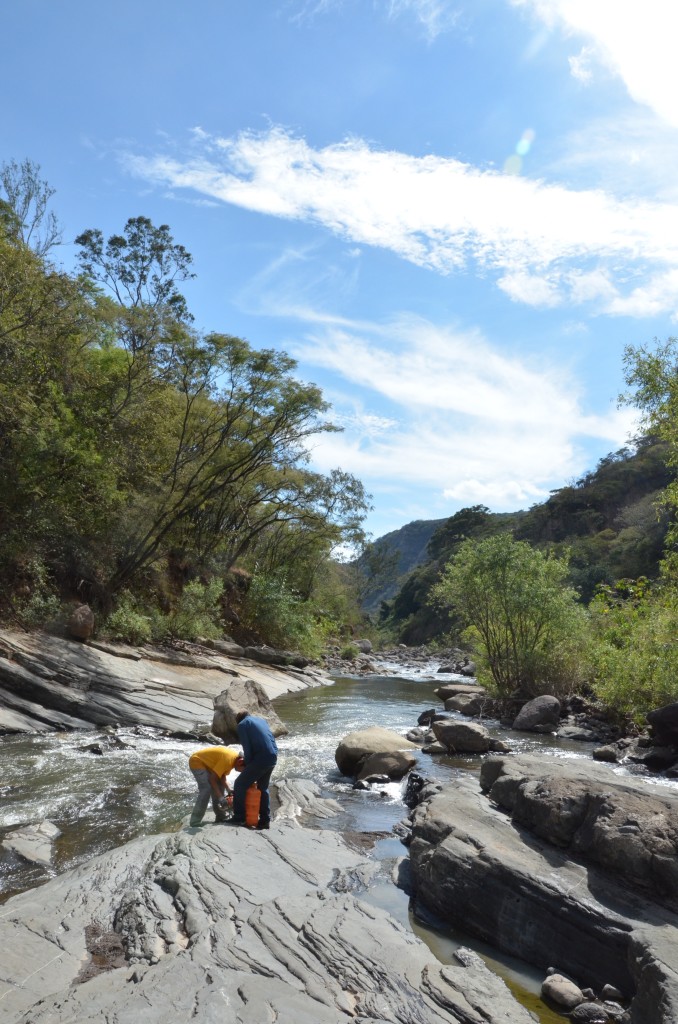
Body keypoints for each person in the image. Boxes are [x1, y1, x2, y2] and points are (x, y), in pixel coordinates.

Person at [230, 711, 278, 829]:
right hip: (272, 756)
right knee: (263, 788)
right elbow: (272, 740)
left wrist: (247, 764)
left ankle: (239, 818)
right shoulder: (261, 720)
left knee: (240, 784)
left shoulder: (242, 725)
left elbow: (247, 748)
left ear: (238, 720)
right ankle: (265, 820)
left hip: (260, 758)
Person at [188, 745, 244, 827]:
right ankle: (195, 822)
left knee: (220, 786)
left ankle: (221, 817)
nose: (241, 772)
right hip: (197, 761)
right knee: (206, 789)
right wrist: (221, 798)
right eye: (243, 769)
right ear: (240, 762)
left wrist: (228, 789)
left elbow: (222, 776)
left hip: (209, 765)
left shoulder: (233, 760)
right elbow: (212, 779)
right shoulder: (228, 760)